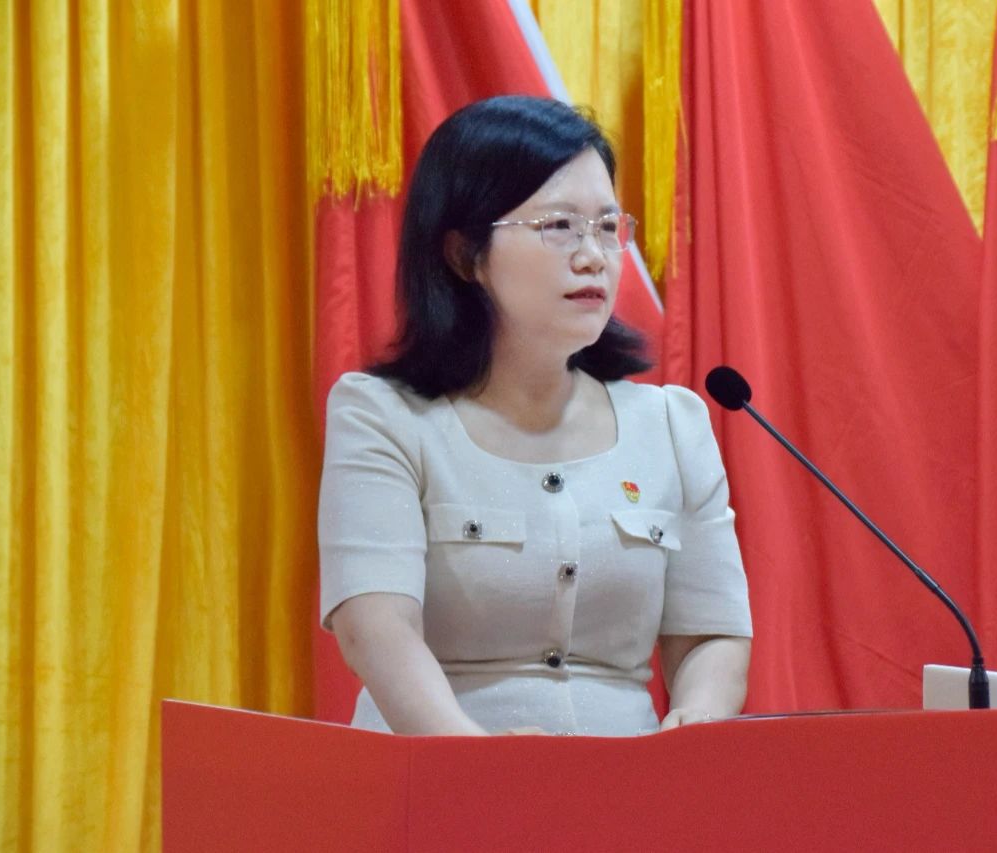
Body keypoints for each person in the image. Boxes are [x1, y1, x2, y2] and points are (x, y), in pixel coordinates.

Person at [318, 95, 751, 737]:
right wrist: (478, 762)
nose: (594, 255)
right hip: (437, 779)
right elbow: (377, 629)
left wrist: (696, 724)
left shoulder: (671, 425)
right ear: (465, 254)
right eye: (560, 226)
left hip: (627, 788)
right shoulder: (384, 417)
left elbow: (711, 633)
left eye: (608, 227)